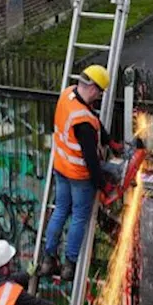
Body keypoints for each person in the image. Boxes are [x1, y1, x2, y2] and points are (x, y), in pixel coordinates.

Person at [38, 64, 120, 283]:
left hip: (60, 168)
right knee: (79, 217)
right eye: (100, 92)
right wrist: (104, 186)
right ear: (93, 88)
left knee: (60, 210)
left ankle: (48, 258)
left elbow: (90, 114)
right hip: (79, 176)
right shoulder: (83, 123)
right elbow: (92, 162)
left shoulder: (68, 94)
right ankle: (69, 264)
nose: (99, 97)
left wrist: (108, 137)